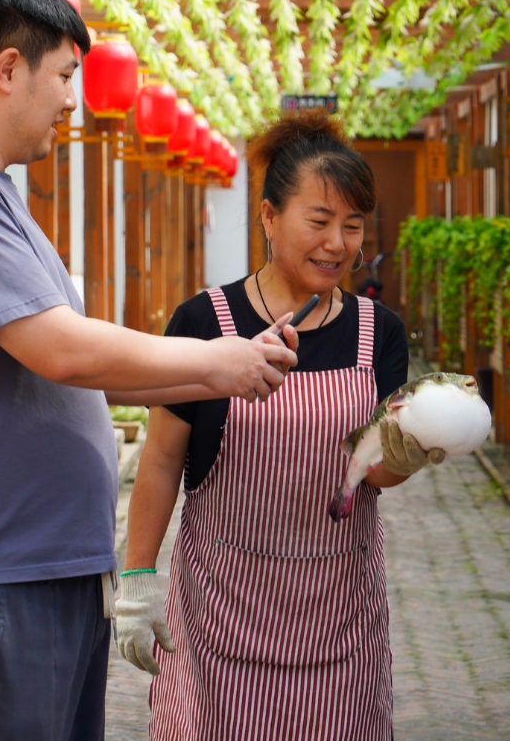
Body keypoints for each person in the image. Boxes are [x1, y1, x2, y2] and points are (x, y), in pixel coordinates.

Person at [0, 0, 297, 741]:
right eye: (65, 75)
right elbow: (61, 350)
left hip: (41, 567)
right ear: (8, 69)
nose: (75, 98)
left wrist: (223, 365)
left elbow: (72, 357)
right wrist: (214, 362)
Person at [115, 110, 442, 740]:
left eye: (353, 226)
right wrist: (136, 579)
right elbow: (159, 460)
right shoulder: (204, 320)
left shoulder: (380, 333)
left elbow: (376, 474)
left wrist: (413, 449)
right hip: (219, 618)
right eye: (319, 221)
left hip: (339, 618)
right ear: (268, 216)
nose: (337, 243)